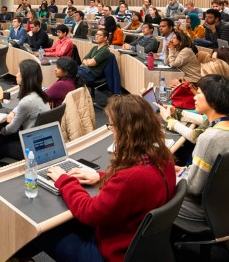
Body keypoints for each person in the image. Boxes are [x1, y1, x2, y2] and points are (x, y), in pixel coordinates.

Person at [19, 95, 175, 262]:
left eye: (112, 126)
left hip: (111, 253)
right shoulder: (164, 159)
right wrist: (100, 177)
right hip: (138, 247)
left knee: (39, 231)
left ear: (126, 131)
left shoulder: (130, 179)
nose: (112, 131)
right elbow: (132, 188)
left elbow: (89, 211)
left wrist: (64, 180)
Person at [176, 74, 229, 221]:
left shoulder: (209, 139)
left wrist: (168, 176)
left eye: (200, 93)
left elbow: (192, 187)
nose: (195, 96)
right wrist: (184, 170)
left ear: (213, 101)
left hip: (202, 209)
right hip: (227, 204)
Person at [0, 60, 50, 158]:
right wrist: (13, 112)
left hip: (29, 148)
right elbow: (23, 106)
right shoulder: (41, 95)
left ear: (25, 78)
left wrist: (0, 131)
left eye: (18, 72)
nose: (16, 75)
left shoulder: (26, 101)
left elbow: (11, 129)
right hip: (41, 142)